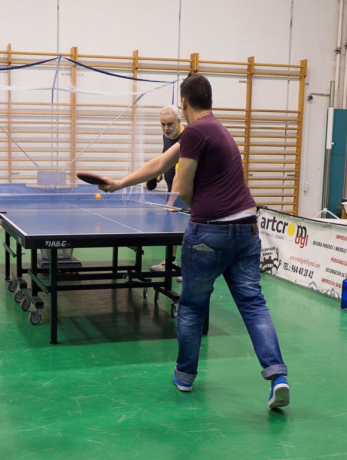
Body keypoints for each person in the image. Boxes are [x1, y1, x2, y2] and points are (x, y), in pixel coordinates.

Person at [98, 73, 289, 410]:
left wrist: (197, 208)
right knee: (253, 303)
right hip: (246, 228)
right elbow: (160, 163)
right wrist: (119, 183)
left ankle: (185, 376)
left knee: (191, 306)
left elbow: (183, 186)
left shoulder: (196, 131)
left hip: (210, 232)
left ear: (183, 103)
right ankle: (277, 377)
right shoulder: (217, 129)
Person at [148, 105, 185, 277]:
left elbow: (180, 172)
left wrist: (171, 201)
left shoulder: (185, 138)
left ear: (179, 121)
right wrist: (160, 172)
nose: (166, 128)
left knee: (185, 232)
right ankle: (171, 262)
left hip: (186, 191)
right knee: (172, 229)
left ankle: (184, 270)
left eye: (169, 124)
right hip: (173, 190)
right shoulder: (168, 136)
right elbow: (166, 155)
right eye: (162, 124)